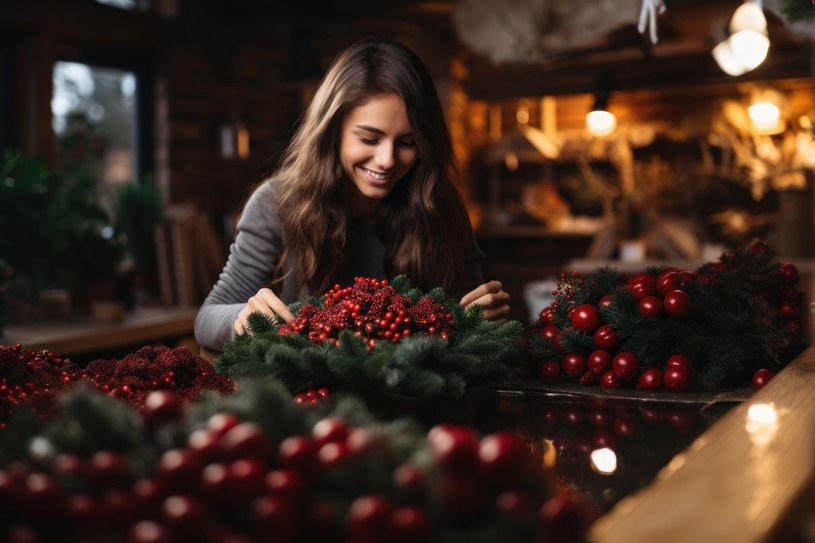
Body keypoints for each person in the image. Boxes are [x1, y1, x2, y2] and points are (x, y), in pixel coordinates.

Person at [194, 39, 510, 353]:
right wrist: (242, 319)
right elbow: (207, 319)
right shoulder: (275, 202)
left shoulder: (438, 203)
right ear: (333, 131)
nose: (387, 160)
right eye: (369, 138)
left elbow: (470, 316)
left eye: (407, 142)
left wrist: (482, 315)